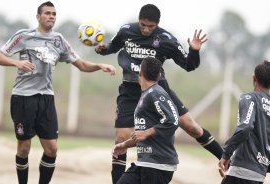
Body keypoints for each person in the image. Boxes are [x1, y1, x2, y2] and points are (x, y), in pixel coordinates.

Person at [95, 3, 223, 183]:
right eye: (143, 25)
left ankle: (225, 159)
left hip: (158, 88)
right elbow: (112, 46)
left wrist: (194, 51)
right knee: (121, 139)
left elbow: (189, 65)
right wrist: (102, 49)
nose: (146, 30)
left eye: (151, 26)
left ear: (158, 24)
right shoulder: (126, 30)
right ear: (138, 21)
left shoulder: (166, 39)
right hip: (130, 89)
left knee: (191, 126)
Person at [0, 1, 116, 184]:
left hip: (46, 98)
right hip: (23, 97)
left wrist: (99, 65)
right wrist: (16, 63)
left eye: (54, 13)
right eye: (47, 13)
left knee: (52, 149)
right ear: (38, 17)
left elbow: (82, 64)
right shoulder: (24, 36)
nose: (51, 16)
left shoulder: (59, 40)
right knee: (24, 148)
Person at [112, 57, 179, 184]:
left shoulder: (156, 93)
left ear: (140, 73)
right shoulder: (147, 94)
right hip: (143, 162)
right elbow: (142, 134)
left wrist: (146, 133)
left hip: (158, 165)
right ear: (159, 75)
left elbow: (173, 120)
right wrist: (124, 145)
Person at [218, 60, 270, 184]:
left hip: (240, 173)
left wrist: (226, 154)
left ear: (254, 78)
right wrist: (267, 166)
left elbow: (245, 127)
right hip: (259, 176)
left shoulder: (249, 98)